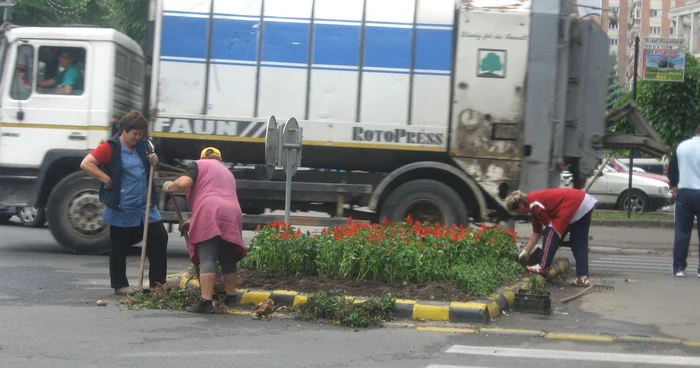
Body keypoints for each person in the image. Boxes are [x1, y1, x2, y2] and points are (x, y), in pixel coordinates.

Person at [80, 111, 169, 295]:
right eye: (133, 134)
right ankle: (120, 285)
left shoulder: (145, 145)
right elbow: (86, 163)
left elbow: (151, 162)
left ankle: (158, 285)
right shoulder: (110, 147)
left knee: (159, 238)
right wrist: (106, 179)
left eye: (140, 134)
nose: (137, 137)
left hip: (145, 205)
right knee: (119, 245)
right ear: (123, 130)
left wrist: (154, 160)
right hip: (123, 204)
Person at [162, 147, 247, 314]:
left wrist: (171, 186)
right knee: (228, 258)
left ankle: (206, 302)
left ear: (202, 157)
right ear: (220, 160)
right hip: (232, 212)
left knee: (208, 257)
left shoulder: (198, 165)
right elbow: (218, 195)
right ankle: (231, 298)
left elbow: (184, 184)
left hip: (209, 210)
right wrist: (193, 221)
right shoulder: (227, 173)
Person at [504, 187, 597, 286]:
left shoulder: (533, 202)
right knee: (578, 243)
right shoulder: (534, 208)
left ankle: (543, 267)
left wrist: (552, 241)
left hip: (572, 203)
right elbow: (537, 232)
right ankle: (583, 277)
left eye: (518, 211)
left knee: (550, 233)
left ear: (521, 205)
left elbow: (551, 228)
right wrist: (525, 251)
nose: (520, 214)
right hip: (584, 203)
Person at [667, 127, 700, 277]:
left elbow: (672, 169)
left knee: (682, 233)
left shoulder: (682, 146)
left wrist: (675, 188)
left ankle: (679, 268)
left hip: (684, 193)